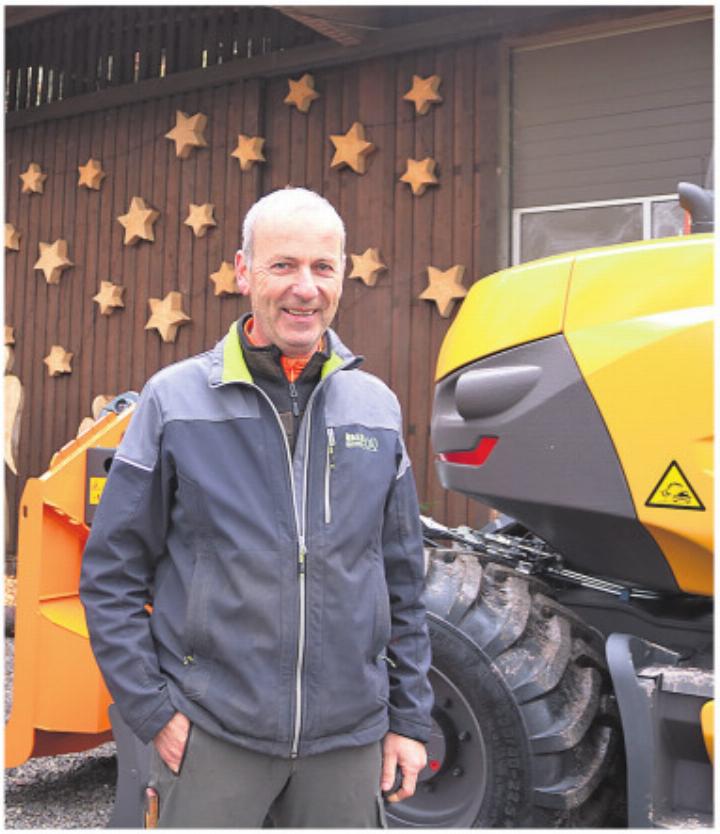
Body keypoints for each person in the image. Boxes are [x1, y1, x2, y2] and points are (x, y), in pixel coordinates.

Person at [79, 187, 433, 828]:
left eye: (323, 268)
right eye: (283, 265)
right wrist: (153, 711)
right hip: (215, 739)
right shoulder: (175, 401)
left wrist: (408, 718)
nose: (306, 288)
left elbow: (401, 578)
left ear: (343, 275)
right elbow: (111, 573)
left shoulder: (375, 408)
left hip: (348, 744)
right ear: (244, 272)